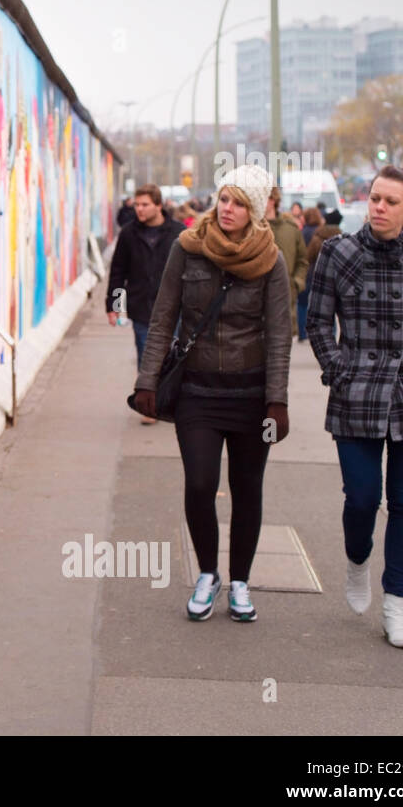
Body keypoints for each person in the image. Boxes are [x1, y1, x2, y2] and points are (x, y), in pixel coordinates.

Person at [305, 165, 403, 648]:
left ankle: (397, 606)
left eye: (391, 201)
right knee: (363, 498)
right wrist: (339, 369)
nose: (379, 207)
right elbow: (317, 321)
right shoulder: (339, 252)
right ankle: (357, 560)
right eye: (374, 198)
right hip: (357, 392)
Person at [134, 165, 292, 623]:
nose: (228, 209)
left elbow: (280, 333)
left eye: (240, 203)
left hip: (250, 393)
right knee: (201, 484)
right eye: (224, 198)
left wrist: (276, 399)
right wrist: (147, 381)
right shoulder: (187, 249)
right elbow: (163, 318)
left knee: (247, 489)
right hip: (197, 392)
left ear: (255, 210)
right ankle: (208, 572)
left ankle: (239, 579)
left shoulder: (271, 260)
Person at [106, 183, 184, 424]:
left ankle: (173, 400)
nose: (139, 209)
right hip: (141, 305)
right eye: (137, 204)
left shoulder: (179, 233)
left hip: (176, 307)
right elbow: (118, 271)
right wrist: (114, 306)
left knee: (175, 354)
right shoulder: (129, 234)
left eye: (145, 205)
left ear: (158, 205)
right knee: (145, 354)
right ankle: (150, 404)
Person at [266, 186, 308, 329]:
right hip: (256, 301)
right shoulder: (251, 227)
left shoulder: (291, 229)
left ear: (273, 200)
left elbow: (302, 261)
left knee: (283, 344)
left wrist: (296, 283)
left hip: (286, 298)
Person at [296, 208, 324, 340]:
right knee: (319, 306)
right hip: (319, 272)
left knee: (302, 304)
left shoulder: (301, 233)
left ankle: (302, 333)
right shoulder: (321, 232)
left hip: (306, 272)